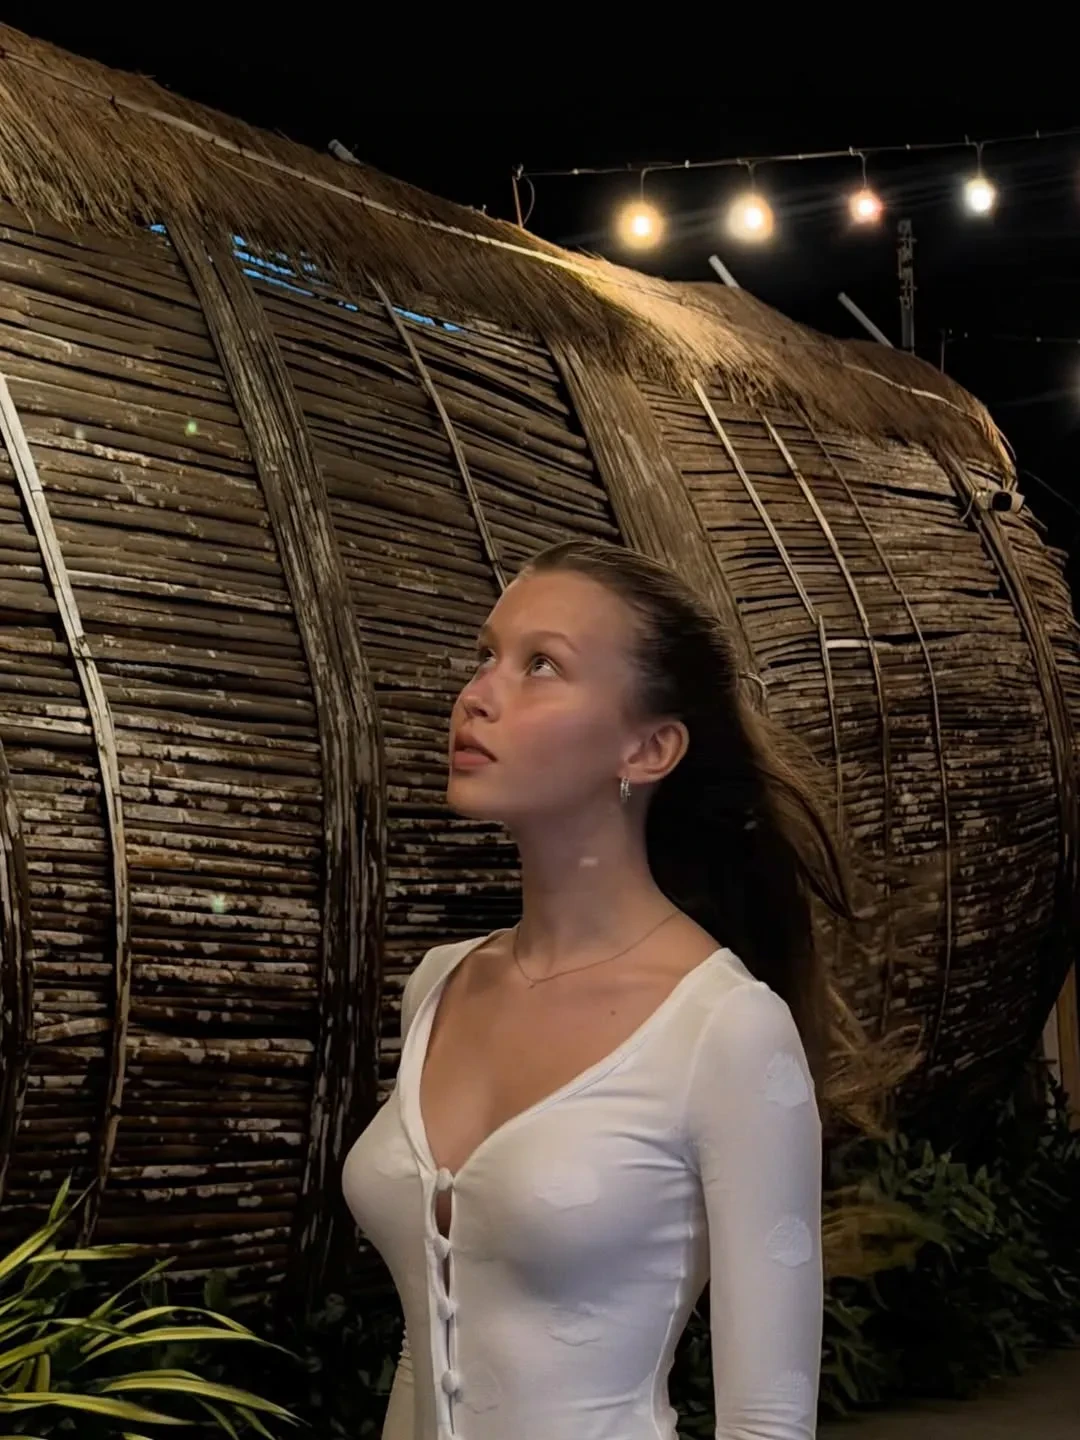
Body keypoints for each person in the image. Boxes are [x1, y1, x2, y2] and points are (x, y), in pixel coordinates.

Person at [342, 538, 854, 1440]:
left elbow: (768, 1422)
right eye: (485, 655)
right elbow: (426, 1348)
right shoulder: (439, 986)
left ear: (649, 748)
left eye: (541, 665)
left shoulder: (727, 1029)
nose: (478, 694)